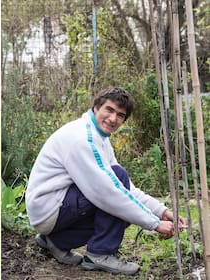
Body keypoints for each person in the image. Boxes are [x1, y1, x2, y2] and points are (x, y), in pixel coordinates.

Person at [25, 86, 185, 275]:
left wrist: (161, 211)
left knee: (122, 194)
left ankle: (56, 242)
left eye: (120, 115)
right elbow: (109, 193)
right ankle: (100, 254)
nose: (113, 119)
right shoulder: (83, 139)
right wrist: (154, 224)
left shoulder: (98, 136)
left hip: (50, 208)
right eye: (109, 110)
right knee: (118, 194)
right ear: (96, 107)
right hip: (49, 208)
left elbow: (126, 189)